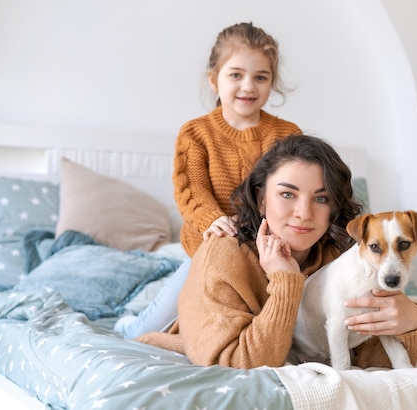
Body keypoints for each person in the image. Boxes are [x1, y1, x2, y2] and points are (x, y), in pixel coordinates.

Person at [135, 135, 417, 370]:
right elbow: (246, 365)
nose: (303, 213)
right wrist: (285, 283)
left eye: (321, 198)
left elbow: (366, 355)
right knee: (135, 324)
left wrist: (412, 320)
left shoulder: (339, 257)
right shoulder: (223, 256)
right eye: (287, 194)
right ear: (262, 200)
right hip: (198, 324)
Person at [114, 22, 302, 339]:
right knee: (145, 332)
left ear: (272, 83)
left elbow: (295, 191)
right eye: (236, 75)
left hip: (269, 248)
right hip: (212, 244)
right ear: (214, 80)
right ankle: (130, 325)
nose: (249, 86)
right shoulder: (196, 133)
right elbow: (191, 189)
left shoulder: (287, 135)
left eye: (261, 77)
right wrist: (212, 219)